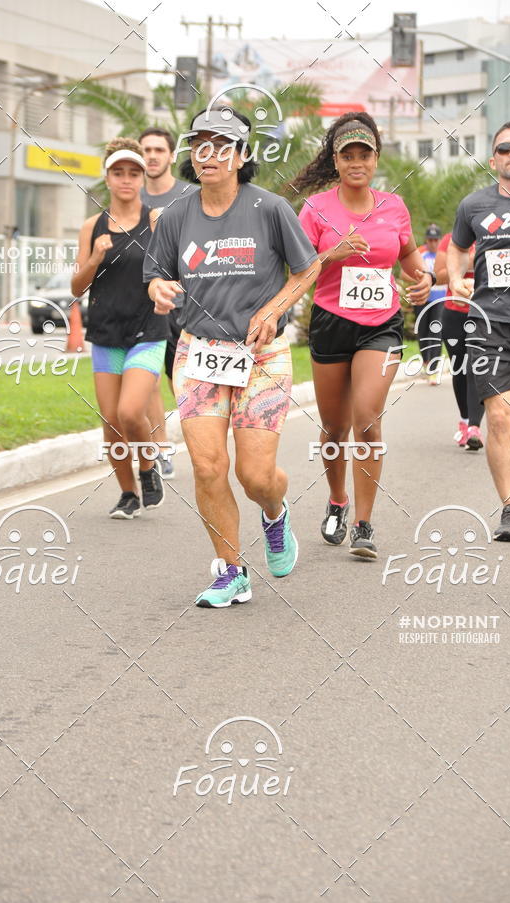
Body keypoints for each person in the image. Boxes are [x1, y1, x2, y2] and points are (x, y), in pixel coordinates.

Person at [144, 107, 320, 608]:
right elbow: (155, 275)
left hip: (261, 355)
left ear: (241, 156)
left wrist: (273, 310)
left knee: (255, 476)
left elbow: (307, 270)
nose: (209, 154)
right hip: (198, 352)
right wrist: (159, 289)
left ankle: (275, 512)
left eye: (222, 145)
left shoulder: (270, 209)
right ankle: (231, 571)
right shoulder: (177, 215)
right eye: (200, 144)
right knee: (207, 467)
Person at [294, 112, 432, 558]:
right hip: (331, 322)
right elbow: (297, 271)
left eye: (364, 154)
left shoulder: (393, 206)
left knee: (367, 419)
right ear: (335, 160)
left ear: (376, 159)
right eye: (347, 155)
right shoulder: (315, 209)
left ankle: (363, 524)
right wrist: (330, 254)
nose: (357, 162)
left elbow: (409, 257)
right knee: (334, 427)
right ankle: (338, 500)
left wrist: (424, 279)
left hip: (382, 325)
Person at [448, 121, 510, 542]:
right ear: (492, 160)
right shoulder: (473, 205)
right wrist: (455, 277)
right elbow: (457, 247)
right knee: (500, 418)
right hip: (491, 326)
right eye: (505, 149)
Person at [72, 137, 166, 519]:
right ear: (108, 178)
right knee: (111, 421)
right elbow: (76, 287)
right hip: (106, 334)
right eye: (118, 173)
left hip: (148, 330)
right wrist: (95, 258)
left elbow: (172, 270)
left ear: (142, 178)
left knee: (129, 412)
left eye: (133, 173)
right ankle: (128, 494)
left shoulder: (156, 220)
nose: (126, 180)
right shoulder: (91, 226)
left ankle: (148, 466)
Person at [139, 128, 199, 480]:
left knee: (185, 383)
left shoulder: (190, 196)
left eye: (158, 149)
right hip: (142, 305)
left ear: (172, 156)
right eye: (146, 149)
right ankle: (161, 449)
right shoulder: (130, 195)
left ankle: (202, 444)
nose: (151, 156)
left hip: (184, 305)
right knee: (146, 379)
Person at [434, 232, 485, 450]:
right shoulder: (451, 240)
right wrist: (463, 266)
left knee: (477, 367)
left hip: (483, 313)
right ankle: (464, 420)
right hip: (454, 313)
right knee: (460, 369)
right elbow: (439, 276)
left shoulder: (491, 236)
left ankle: (475, 426)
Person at [412, 224, 447, 385]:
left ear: (439, 240)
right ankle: (426, 361)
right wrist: (421, 280)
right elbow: (405, 273)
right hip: (422, 297)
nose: (433, 243)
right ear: (426, 239)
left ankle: (434, 368)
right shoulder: (419, 252)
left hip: (440, 298)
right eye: (430, 240)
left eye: (435, 240)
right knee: (422, 331)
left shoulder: (444, 254)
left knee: (436, 332)